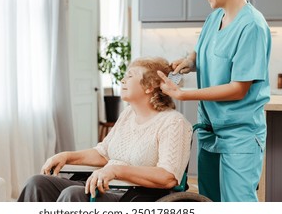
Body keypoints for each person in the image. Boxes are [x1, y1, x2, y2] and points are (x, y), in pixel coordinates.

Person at [157, 0, 271, 202]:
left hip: (239, 135)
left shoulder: (252, 25)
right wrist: (189, 62)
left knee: (236, 205)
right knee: (208, 202)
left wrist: (183, 94)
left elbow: (238, 88)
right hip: (210, 131)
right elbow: (204, 52)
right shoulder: (213, 18)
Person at [18, 57, 193, 202]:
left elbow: (168, 176)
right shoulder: (128, 115)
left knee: (73, 195)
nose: (123, 80)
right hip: (107, 185)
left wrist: (116, 170)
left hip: (136, 196)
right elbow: (103, 153)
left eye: (130, 76)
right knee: (37, 183)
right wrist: (66, 156)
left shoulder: (173, 122)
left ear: (150, 86)